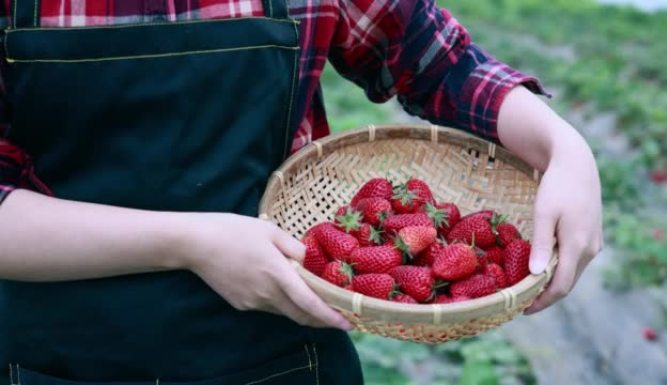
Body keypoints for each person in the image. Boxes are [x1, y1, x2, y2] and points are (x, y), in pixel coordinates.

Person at [0, 0, 603, 383]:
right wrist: (187, 241)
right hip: (57, 351)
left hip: (282, 341)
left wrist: (562, 147)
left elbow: (440, 64)